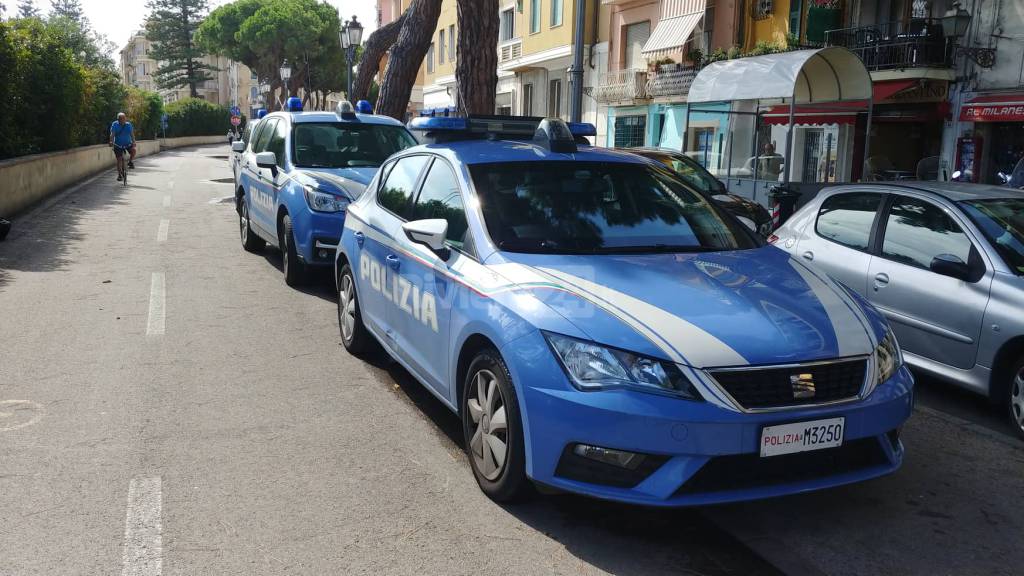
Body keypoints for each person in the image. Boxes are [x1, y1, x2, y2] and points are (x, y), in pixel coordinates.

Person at [109, 112, 136, 180]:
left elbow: (132, 134)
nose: (123, 120)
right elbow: (112, 134)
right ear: (118, 119)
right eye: (121, 119)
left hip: (127, 144)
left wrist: (134, 142)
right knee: (119, 159)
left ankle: (130, 161)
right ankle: (120, 175)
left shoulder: (128, 125)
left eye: (124, 118)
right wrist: (111, 141)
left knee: (133, 150)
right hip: (118, 145)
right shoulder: (115, 124)